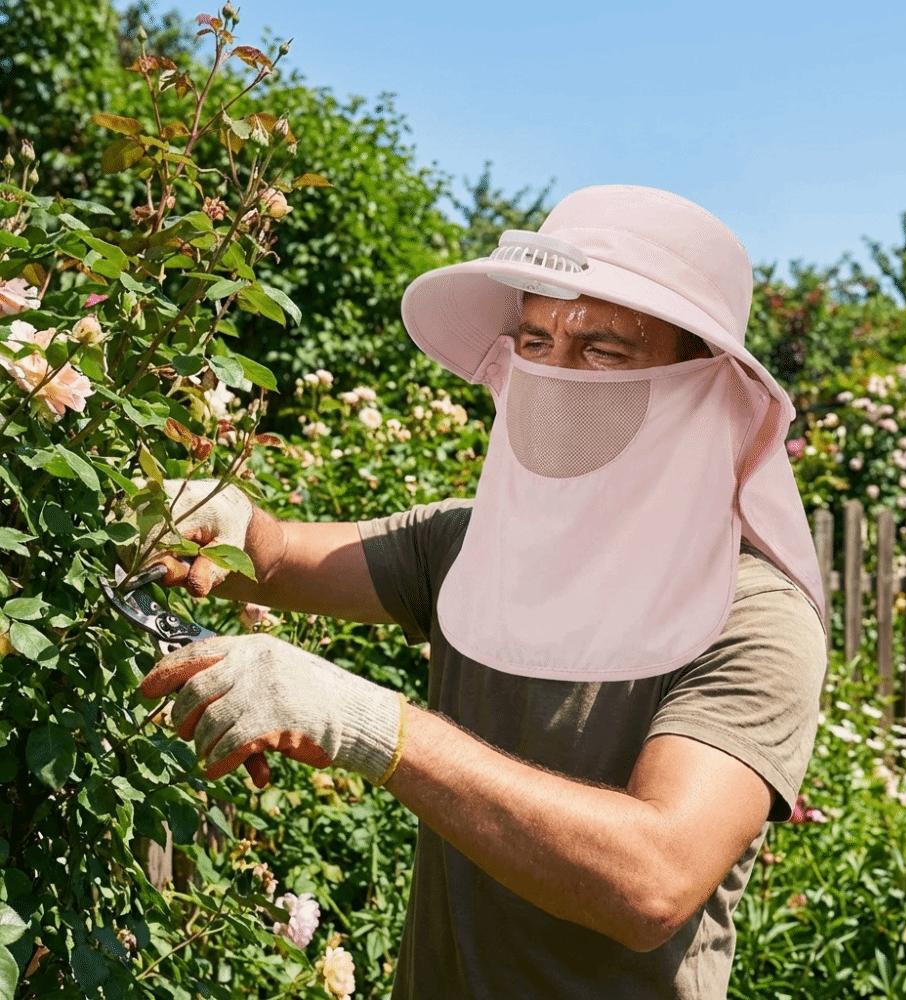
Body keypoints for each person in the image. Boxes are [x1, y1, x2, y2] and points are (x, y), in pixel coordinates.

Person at [135, 185, 828, 999]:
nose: (555, 373)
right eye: (535, 339)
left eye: (604, 351)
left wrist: (375, 727)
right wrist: (218, 517)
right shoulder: (470, 541)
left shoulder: (751, 617)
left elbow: (653, 881)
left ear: (703, 383)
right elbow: (277, 557)